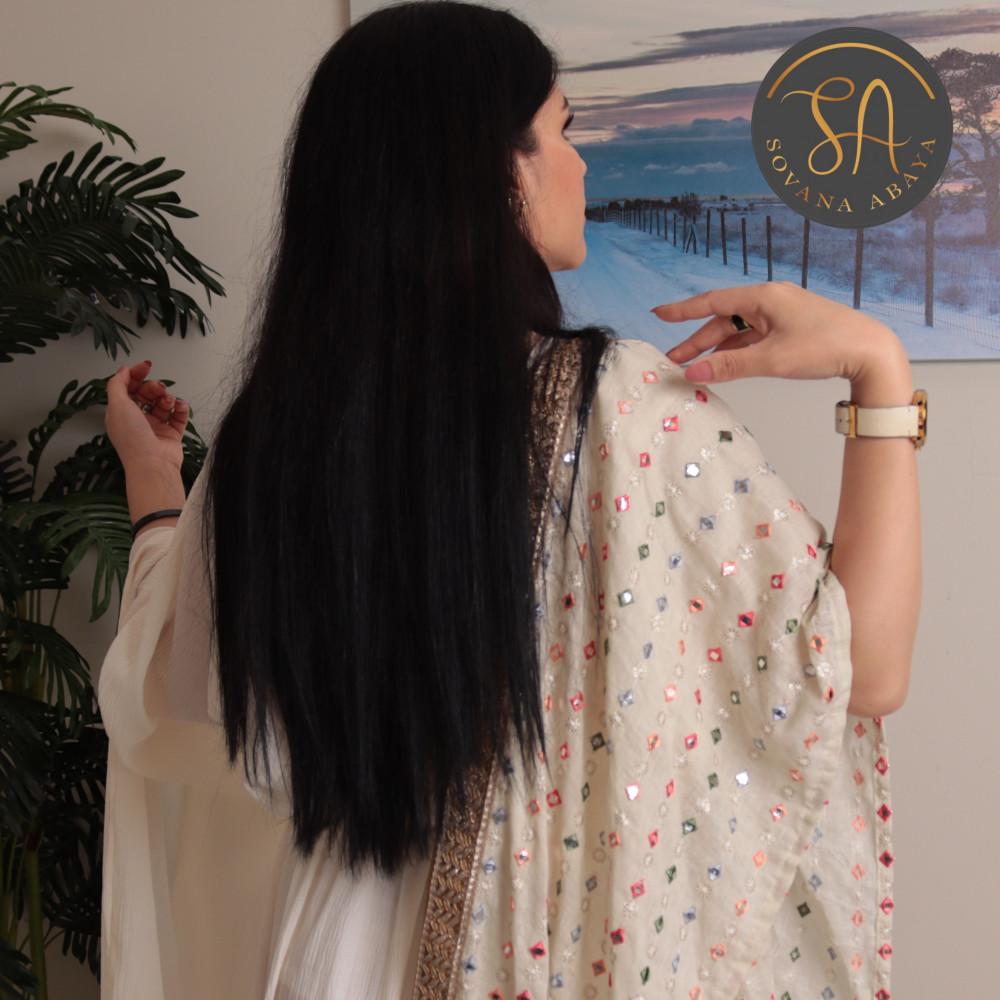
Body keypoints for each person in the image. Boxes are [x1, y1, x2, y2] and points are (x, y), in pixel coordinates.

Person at [99, 2, 920, 998]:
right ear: (498, 169)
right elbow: (861, 668)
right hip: (529, 952)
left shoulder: (270, 435)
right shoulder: (615, 410)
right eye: (563, 131)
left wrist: (156, 483)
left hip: (319, 953)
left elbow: (181, 682)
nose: (581, 162)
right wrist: (877, 369)